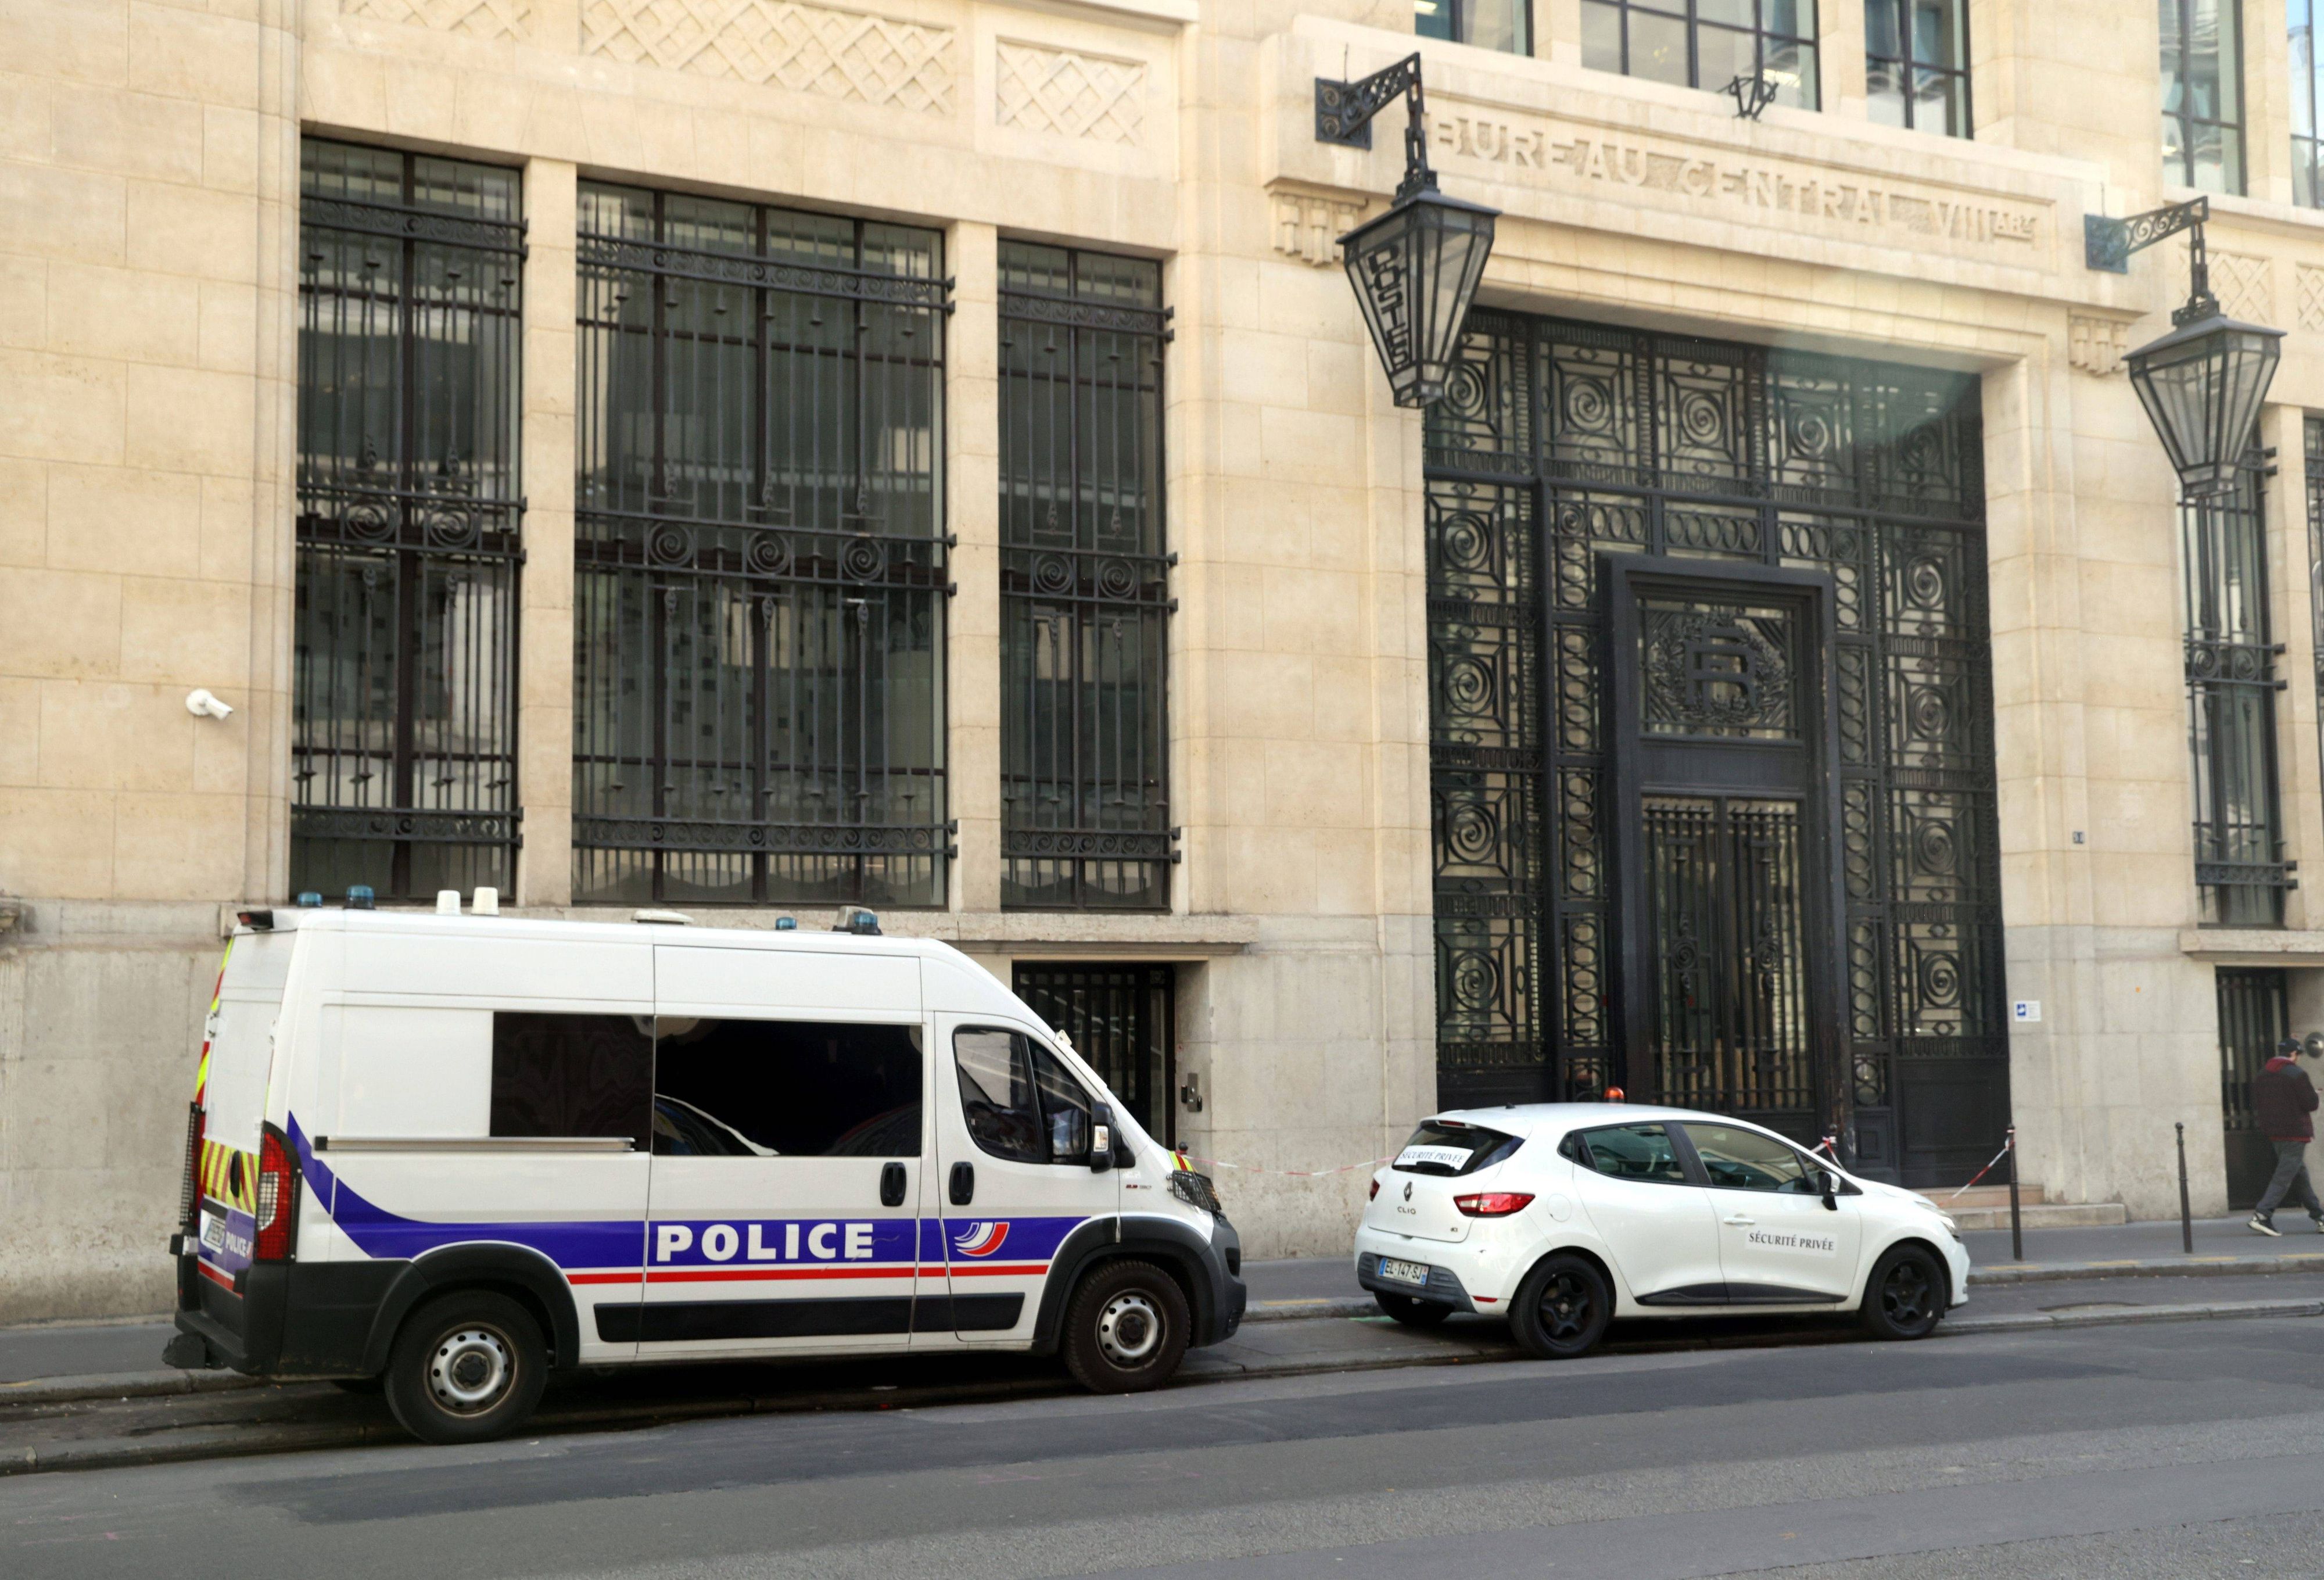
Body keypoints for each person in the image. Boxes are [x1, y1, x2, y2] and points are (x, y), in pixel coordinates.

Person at [2249, 1037, 2323, 1236]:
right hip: (2296, 1133)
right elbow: (2311, 1104)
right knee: (2284, 1176)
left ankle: (2319, 1216)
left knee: (2298, 1174)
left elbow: (2258, 1101)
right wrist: (2314, 1094)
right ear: (2294, 1054)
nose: (2298, 1058)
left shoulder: (2263, 1074)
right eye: (2298, 1054)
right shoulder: (2297, 1074)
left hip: (2275, 1132)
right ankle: (2262, 1215)